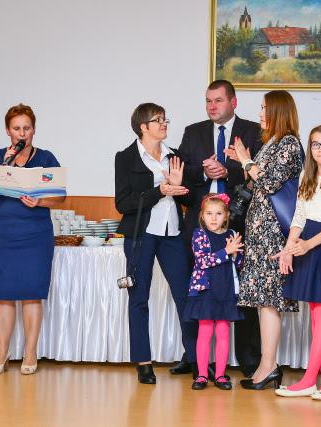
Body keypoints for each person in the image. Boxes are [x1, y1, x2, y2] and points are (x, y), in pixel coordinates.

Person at [177, 80, 263, 377]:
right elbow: (182, 174)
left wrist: (229, 171)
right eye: (208, 101)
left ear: (233, 102)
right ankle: (195, 358)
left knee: (241, 288)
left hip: (240, 222)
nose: (211, 106)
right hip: (201, 224)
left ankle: (248, 359)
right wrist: (203, 171)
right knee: (198, 288)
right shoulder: (193, 132)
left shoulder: (253, 131)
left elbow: (261, 174)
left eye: (218, 100)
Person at [0, 103, 65, 375]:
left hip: (35, 235)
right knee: (2, 294)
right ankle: (1, 352)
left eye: (26, 128)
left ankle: (30, 352)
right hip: (2, 234)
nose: (22, 133)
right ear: (8, 131)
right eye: (16, 128)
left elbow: (59, 196)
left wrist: (39, 201)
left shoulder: (46, 157)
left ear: (33, 130)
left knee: (31, 294)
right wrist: (5, 164)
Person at [114, 102, 196, 384]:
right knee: (139, 297)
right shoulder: (125, 158)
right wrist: (160, 190)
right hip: (141, 234)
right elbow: (123, 203)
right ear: (143, 126)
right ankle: (143, 362)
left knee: (185, 295)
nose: (164, 124)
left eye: (164, 119)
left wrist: (179, 186)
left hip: (172, 233)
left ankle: (195, 358)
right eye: (158, 120)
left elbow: (189, 198)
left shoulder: (175, 156)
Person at [273, 125, 321, 400]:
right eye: (316, 144)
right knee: (317, 318)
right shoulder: (305, 174)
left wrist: (307, 245)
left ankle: (309, 380)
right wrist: (289, 248)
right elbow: (298, 217)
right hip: (306, 241)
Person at [233, 90, 304, 390]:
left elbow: (271, 182)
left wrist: (246, 161)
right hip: (259, 231)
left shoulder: (289, 143)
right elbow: (256, 181)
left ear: (278, 111)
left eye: (265, 108)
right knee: (263, 301)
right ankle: (268, 364)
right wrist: (245, 163)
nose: (260, 113)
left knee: (269, 300)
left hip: (273, 232)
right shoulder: (271, 143)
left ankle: (268, 366)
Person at [183, 193, 244, 391]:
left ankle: (220, 375)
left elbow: (239, 262)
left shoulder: (232, 235)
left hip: (225, 289)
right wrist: (226, 252)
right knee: (205, 332)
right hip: (206, 291)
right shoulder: (199, 235)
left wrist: (236, 253)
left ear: (226, 216)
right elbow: (202, 261)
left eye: (218, 214)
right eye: (209, 213)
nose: (214, 218)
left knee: (224, 332)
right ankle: (202, 375)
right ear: (202, 215)